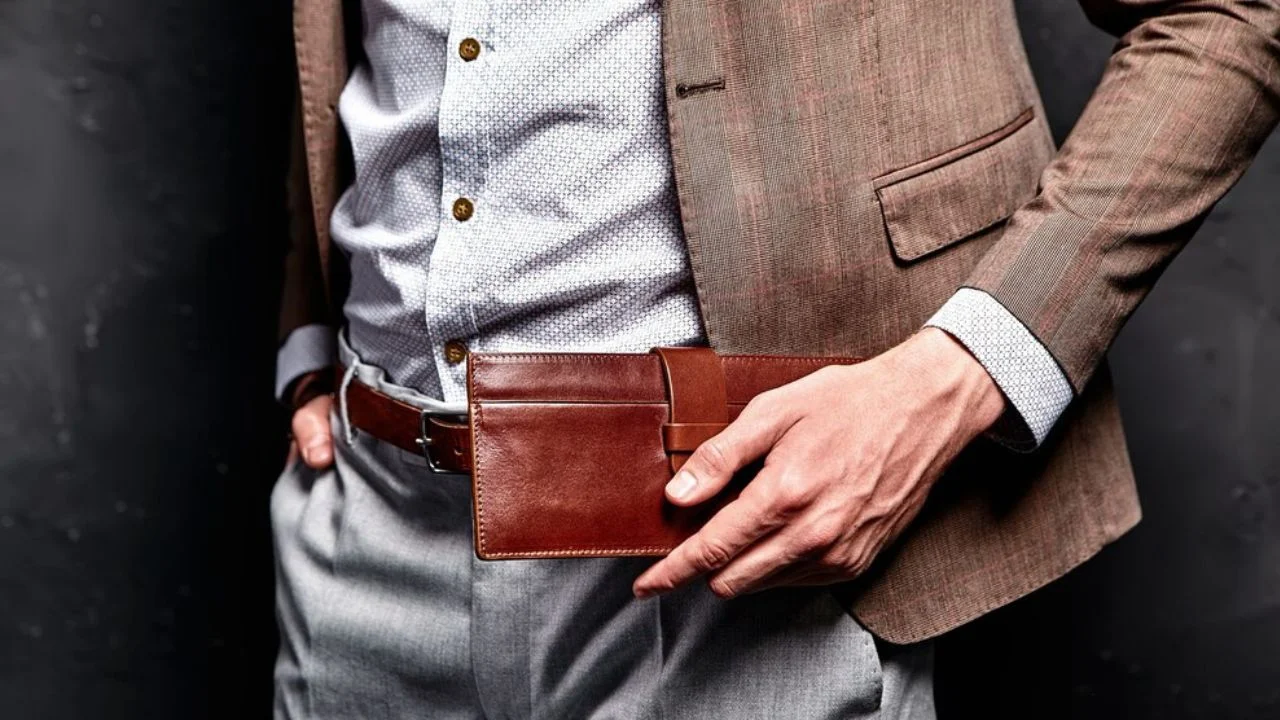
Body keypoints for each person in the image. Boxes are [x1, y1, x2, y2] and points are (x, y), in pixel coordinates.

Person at [270, 0, 1280, 717]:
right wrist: (308, 335)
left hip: (746, 566)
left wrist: (964, 369)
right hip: (363, 533)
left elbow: (1226, 8)